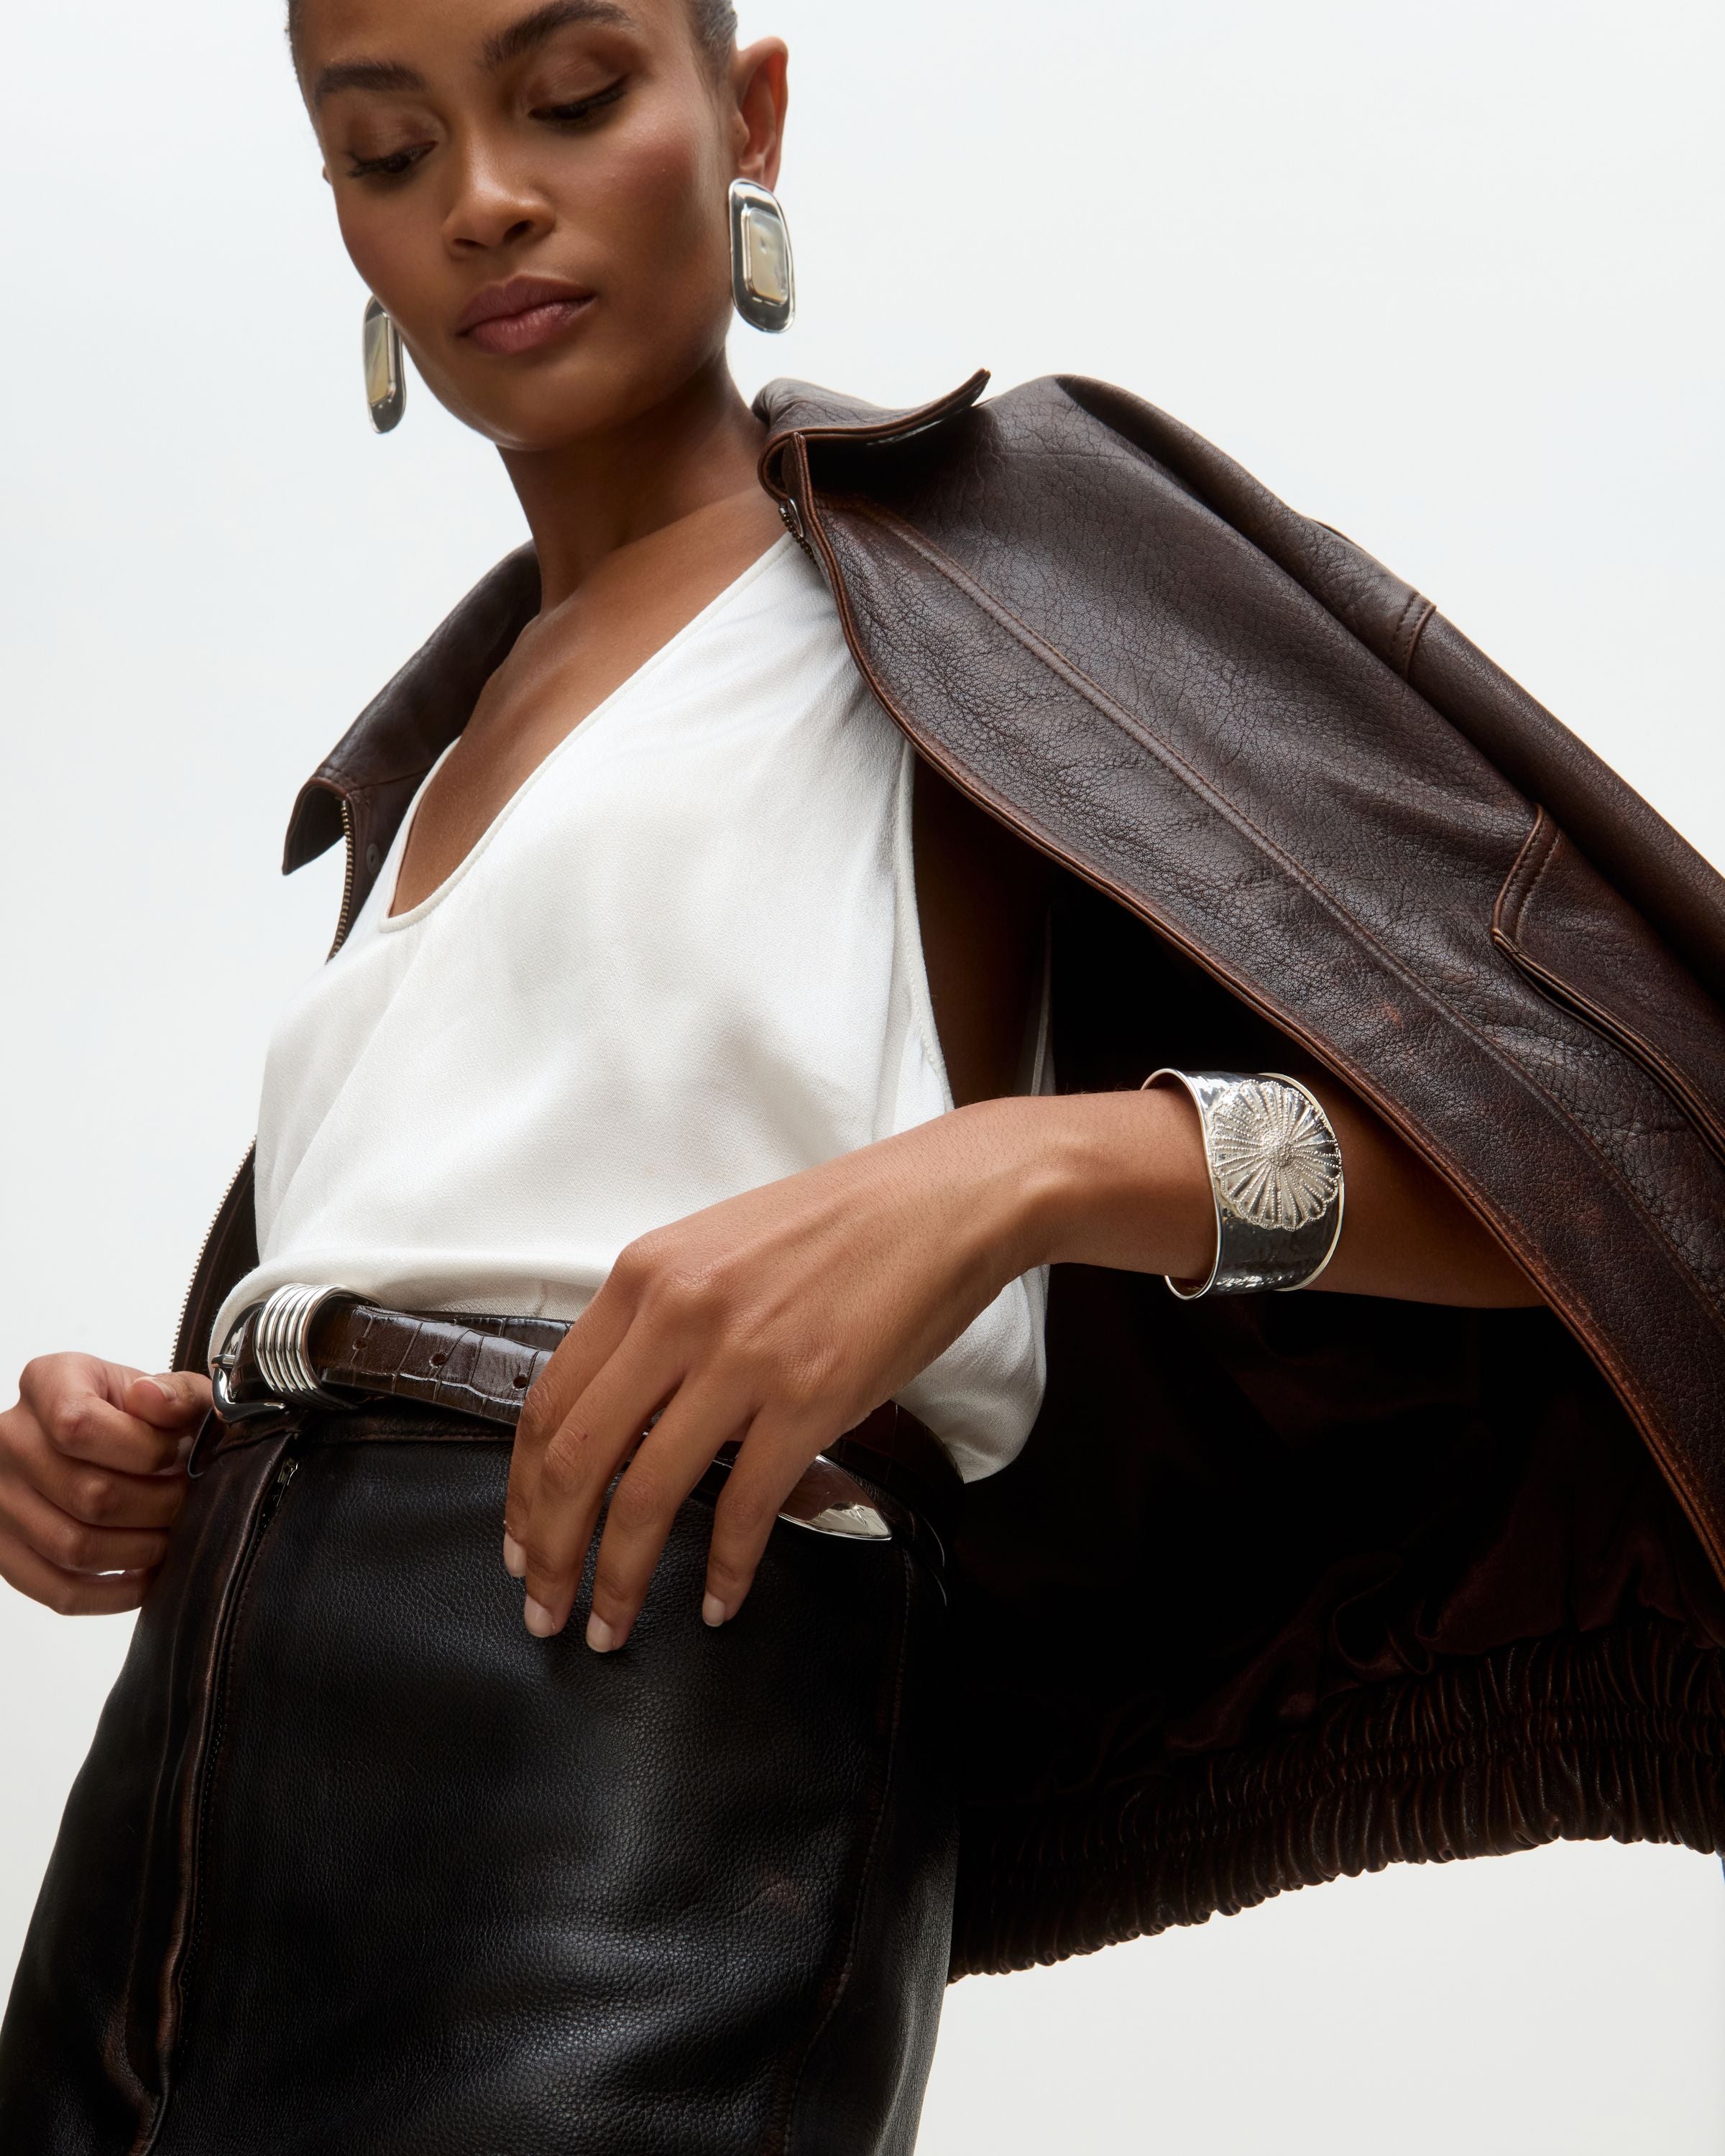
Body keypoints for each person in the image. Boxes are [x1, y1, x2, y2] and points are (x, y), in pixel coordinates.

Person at [3, 0, 1722, 2149]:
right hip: (164, 1826)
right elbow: (456, 1224)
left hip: (617, 1758)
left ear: (749, 110)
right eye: (384, 149)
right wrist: (161, 1431)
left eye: (566, 97)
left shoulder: (977, 555)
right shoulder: (430, 746)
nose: (486, 198)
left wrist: (1019, 1173)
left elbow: (1610, 1139)